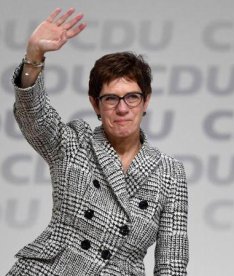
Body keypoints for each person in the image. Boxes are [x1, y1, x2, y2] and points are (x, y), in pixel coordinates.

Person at [7, 8, 189, 276]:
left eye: (132, 97)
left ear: (146, 101)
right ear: (95, 104)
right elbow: (33, 116)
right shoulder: (74, 143)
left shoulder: (169, 173)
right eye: (111, 98)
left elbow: (171, 263)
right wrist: (35, 55)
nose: (122, 108)